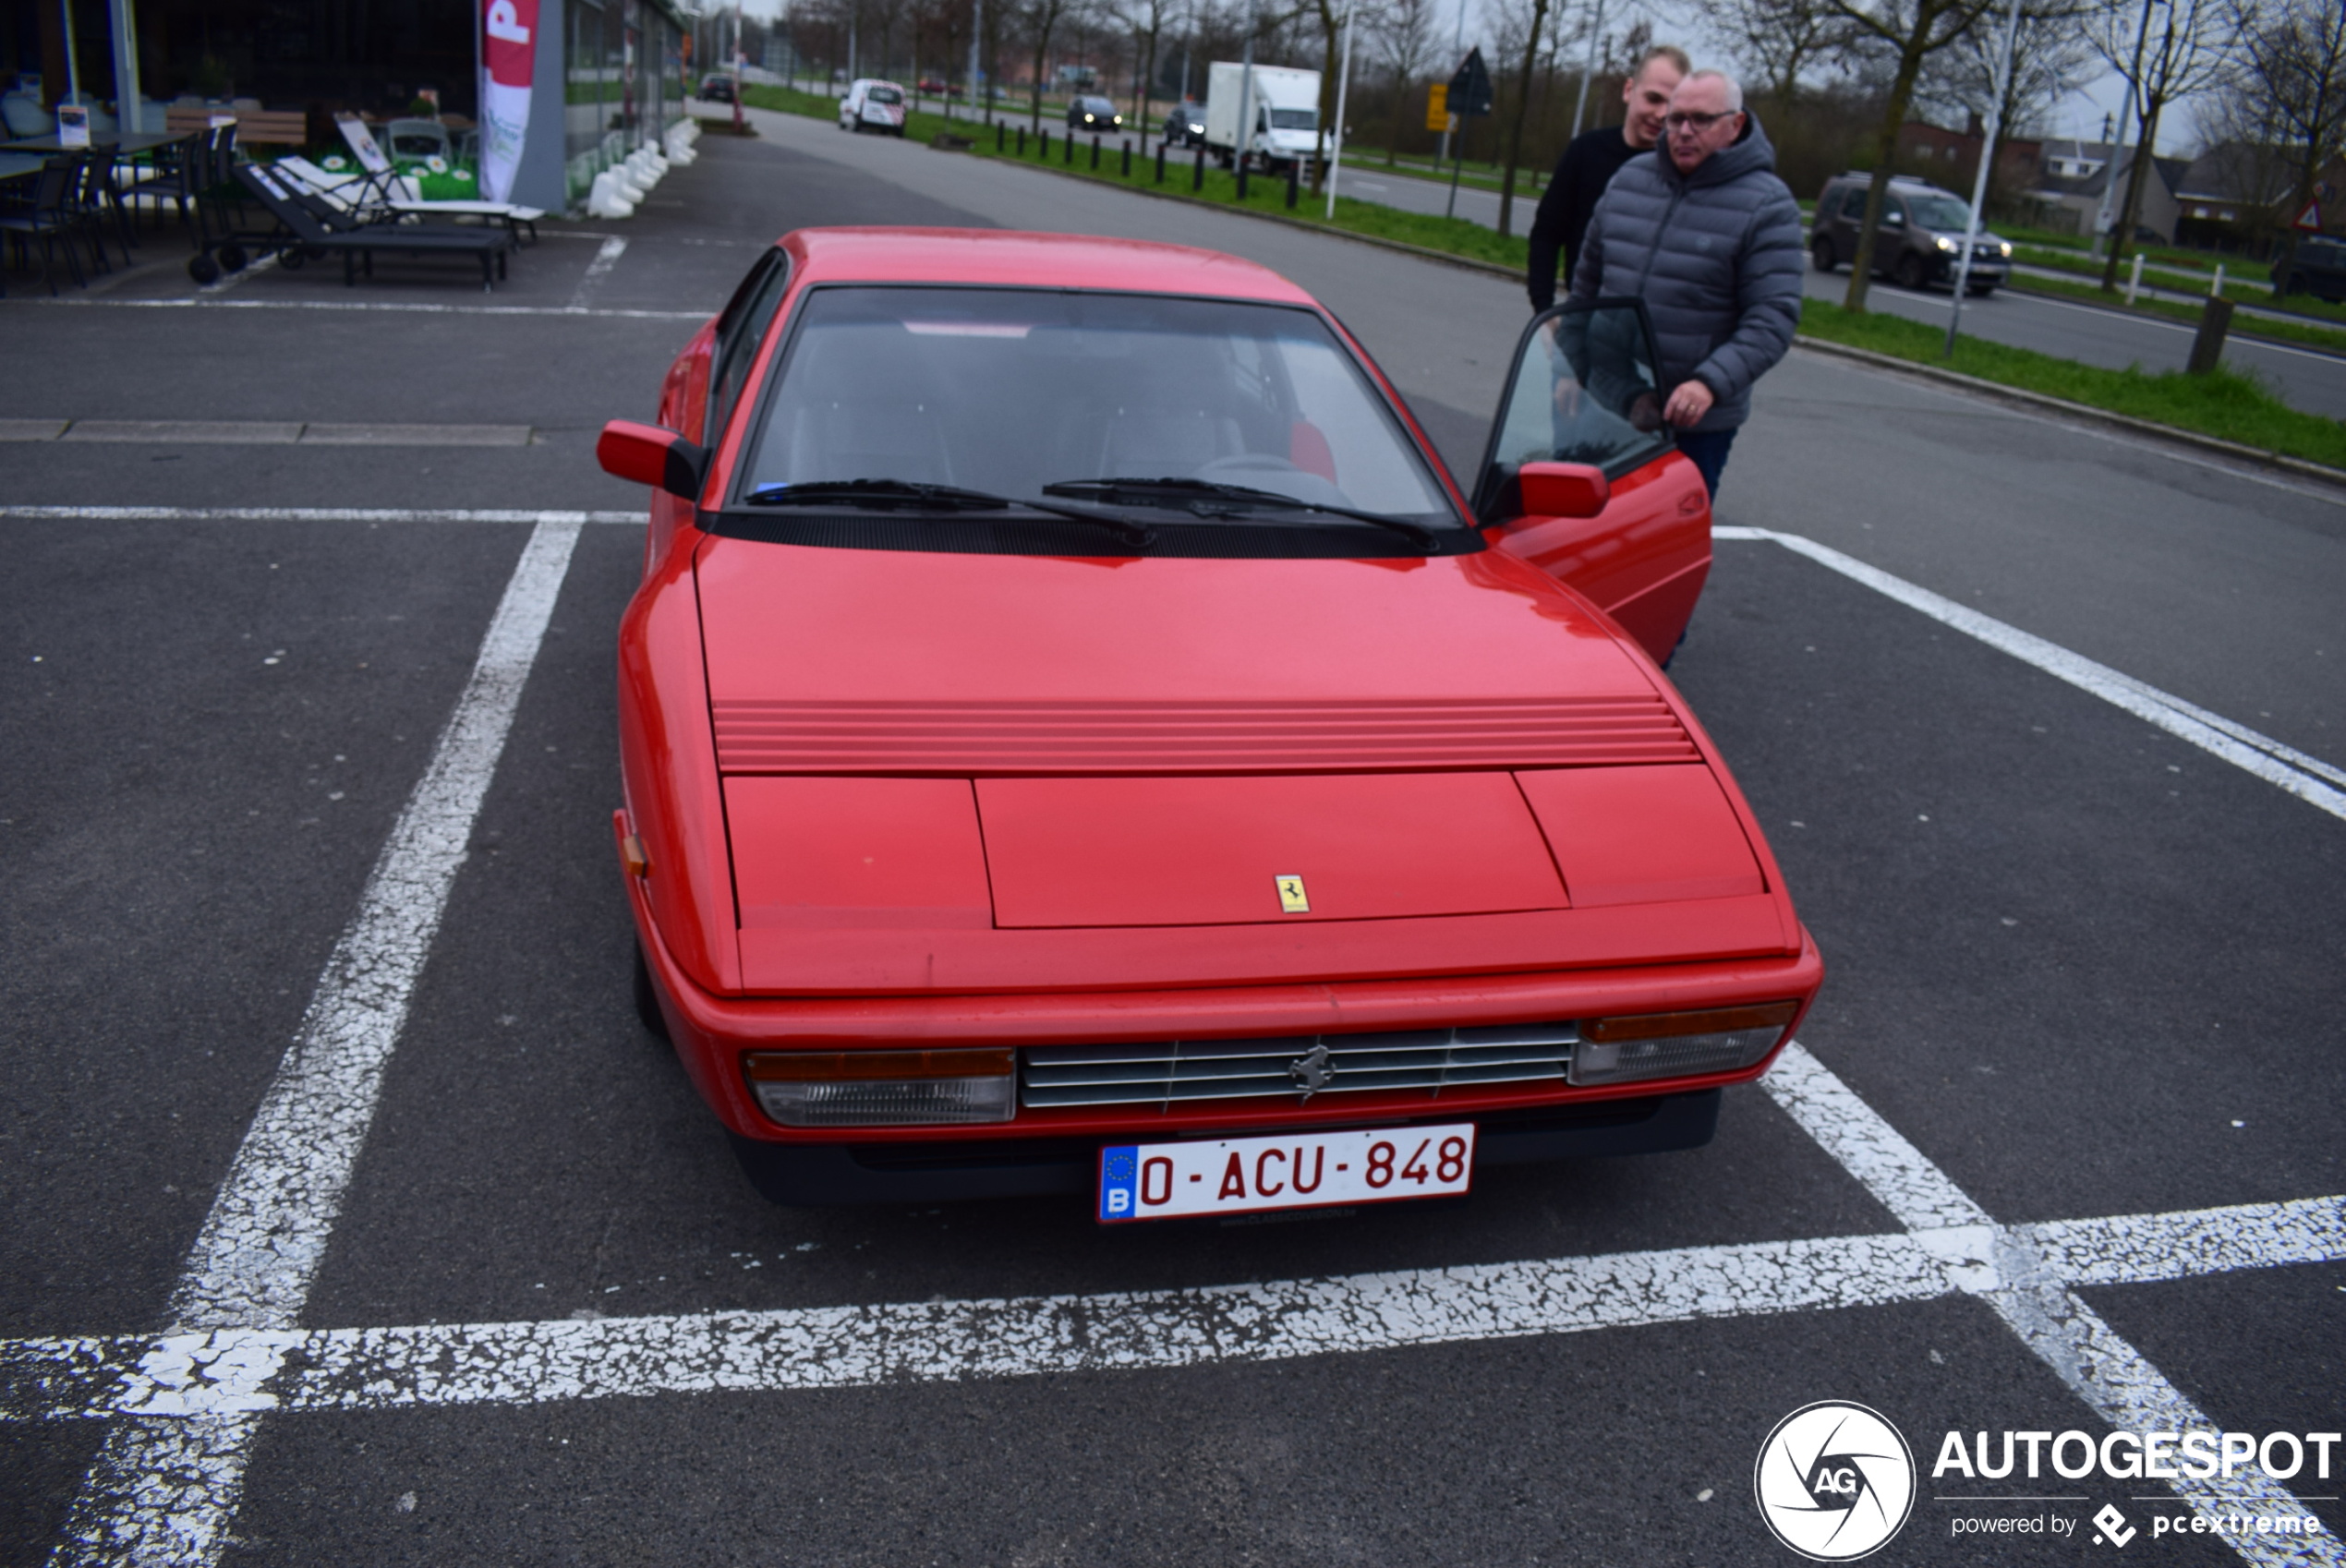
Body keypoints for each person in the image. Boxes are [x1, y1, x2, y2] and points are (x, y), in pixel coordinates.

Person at [1566, 68, 1803, 501]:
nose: (1684, 132)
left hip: (1693, 424)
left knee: (1666, 547)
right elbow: (1586, 288)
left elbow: (1772, 319)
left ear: (1735, 125)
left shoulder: (1768, 206)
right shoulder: (1629, 181)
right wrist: (1570, 367)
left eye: (1702, 120)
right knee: (1581, 535)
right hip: (1607, 399)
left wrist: (1708, 384)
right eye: (1676, 119)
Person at [1524, 45, 1688, 313]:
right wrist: (1544, 311)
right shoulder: (1585, 152)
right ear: (1628, 90)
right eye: (1653, 98)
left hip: (1651, 332)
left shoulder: (1682, 171)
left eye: (1673, 105)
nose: (1661, 114)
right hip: (1583, 316)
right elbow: (1547, 234)